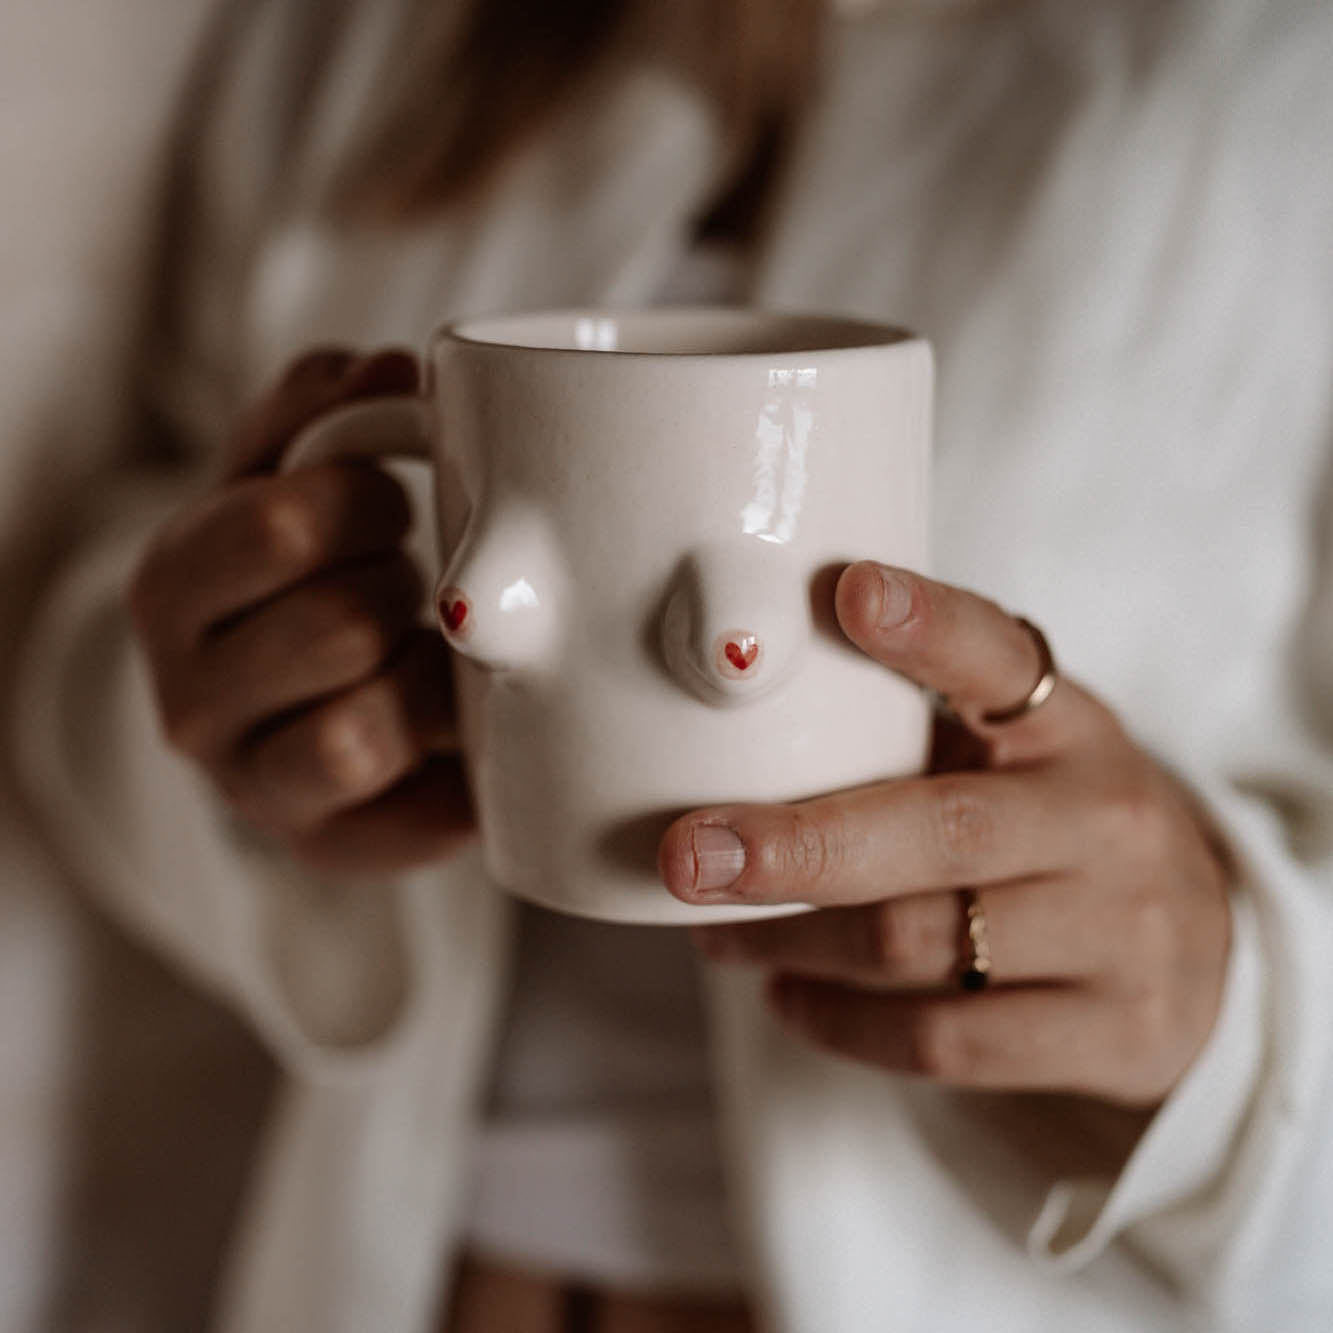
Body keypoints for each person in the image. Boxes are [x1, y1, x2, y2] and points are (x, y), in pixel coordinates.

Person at [8, 0, 1333, 1329]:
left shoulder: (1278, 64)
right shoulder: (365, 33)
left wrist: (1231, 1027)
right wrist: (236, 726)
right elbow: (109, 596)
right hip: (404, 1281)